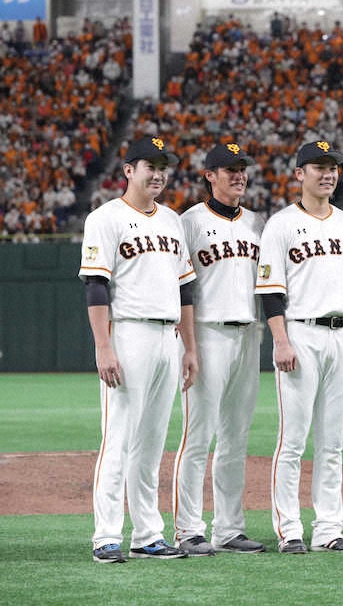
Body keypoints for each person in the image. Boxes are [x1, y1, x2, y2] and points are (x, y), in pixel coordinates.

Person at [255, 141, 343, 554]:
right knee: (293, 439)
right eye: (319, 167)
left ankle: (328, 528)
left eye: (333, 168)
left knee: (332, 441)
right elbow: (271, 291)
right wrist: (280, 340)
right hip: (300, 333)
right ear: (299, 174)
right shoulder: (281, 224)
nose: (328, 174)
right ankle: (289, 529)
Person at [80, 135, 196, 563]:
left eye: (163, 166)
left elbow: (185, 288)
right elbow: (96, 285)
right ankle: (106, 535)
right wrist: (104, 346)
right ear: (128, 170)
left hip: (169, 337)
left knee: (151, 444)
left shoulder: (171, 220)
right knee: (119, 439)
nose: (158, 173)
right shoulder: (105, 218)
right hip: (128, 335)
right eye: (150, 164)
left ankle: (148, 534)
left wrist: (190, 347)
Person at [171, 143, 266, 556]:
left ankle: (228, 528)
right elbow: (180, 285)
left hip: (248, 332)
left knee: (235, 438)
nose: (238, 176)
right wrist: (187, 344)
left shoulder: (256, 222)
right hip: (206, 334)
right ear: (209, 175)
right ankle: (188, 529)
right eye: (229, 170)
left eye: (241, 169)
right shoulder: (189, 221)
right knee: (198, 436)